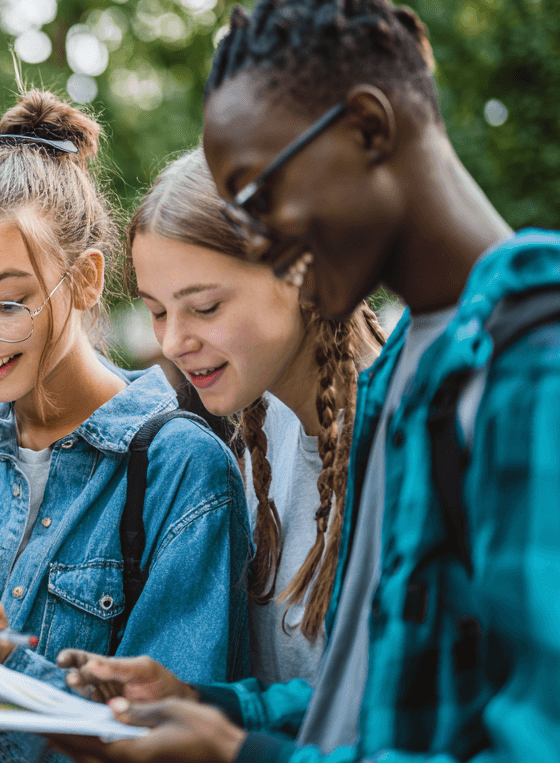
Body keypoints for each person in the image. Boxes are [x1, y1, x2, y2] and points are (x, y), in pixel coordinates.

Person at [50, 0, 560, 763]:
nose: (264, 243)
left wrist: (244, 758)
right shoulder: (406, 380)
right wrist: (211, 707)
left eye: (259, 195)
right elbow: (390, 703)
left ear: (368, 129)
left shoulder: (540, 372)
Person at [0, 91, 252, 763]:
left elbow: (172, 737)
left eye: (6, 303)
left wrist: (3, 682)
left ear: (84, 280)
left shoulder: (178, 470)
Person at [55, 148, 384, 744]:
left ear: (300, 275)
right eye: (156, 312)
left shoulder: (404, 439)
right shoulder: (262, 426)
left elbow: (392, 709)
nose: (174, 341)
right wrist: (195, 699)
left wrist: (233, 742)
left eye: (204, 307)